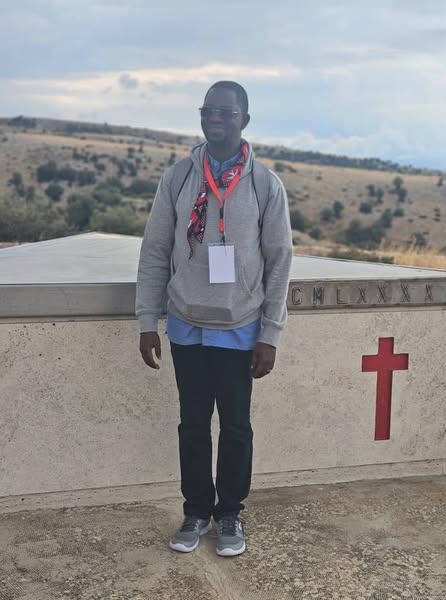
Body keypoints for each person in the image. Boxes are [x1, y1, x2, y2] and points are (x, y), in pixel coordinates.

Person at [136, 81, 292, 557]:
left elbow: (279, 260)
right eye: (208, 110)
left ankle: (230, 514)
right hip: (186, 322)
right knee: (192, 425)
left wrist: (270, 333)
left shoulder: (264, 184)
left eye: (226, 112)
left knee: (237, 427)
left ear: (245, 119)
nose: (215, 119)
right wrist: (147, 320)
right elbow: (155, 250)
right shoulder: (179, 177)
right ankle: (197, 511)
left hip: (240, 327)